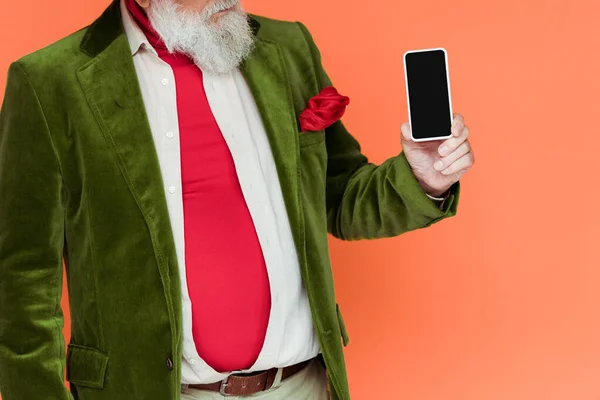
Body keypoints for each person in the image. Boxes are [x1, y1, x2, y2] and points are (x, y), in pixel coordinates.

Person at [0, 0, 475, 398]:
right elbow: (21, 282)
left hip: (302, 385)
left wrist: (422, 176)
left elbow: (341, 197)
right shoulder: (50, 82)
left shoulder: (287, 49)